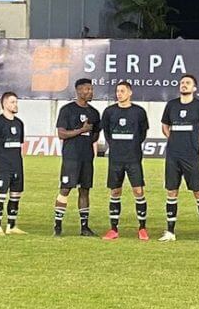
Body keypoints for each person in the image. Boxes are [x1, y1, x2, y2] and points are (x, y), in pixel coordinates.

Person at [159, 74, 199, 243]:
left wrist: (194, 143)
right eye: (182, 82)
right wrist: (173, 140)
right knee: (171, 191)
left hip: (191, 156)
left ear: (194, 88)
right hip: (173, 156)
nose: (184, 85)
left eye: (188, 83)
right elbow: (165, 126)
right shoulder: (171, 105)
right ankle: (170, 232)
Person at [99, 81, 150, 241]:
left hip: (133, 158)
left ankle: (142, 228)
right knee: (115, 191)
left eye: (122, 91)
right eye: (117, 91)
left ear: (130, 92)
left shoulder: (139, 112)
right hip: (115, 159)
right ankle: (113, 229)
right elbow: (107, 133)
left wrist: (132, 146)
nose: (119, 94)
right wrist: (116, 146)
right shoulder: (109, 112)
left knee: (138, 191)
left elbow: (142, 133)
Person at [53, 78, 102, 237]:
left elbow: (95, 135)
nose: (90, 92)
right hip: (71, 157)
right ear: (79, 91)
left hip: (87, 157)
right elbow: (61, 134)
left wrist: (88, 135)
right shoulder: (67, 110)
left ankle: (84, 227)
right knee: (65, 188)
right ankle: (58, 226)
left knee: (85, 190)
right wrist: (81, 130)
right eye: (87, 89)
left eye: (91, 89)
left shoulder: (94, 113)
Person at [0, 91, 27, 235]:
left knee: (15, 195)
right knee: (1, 196)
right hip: (2, 167)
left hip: (17, 165)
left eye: (16, 102)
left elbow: (18, 144)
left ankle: (11, 226)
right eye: (12, 102)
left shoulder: (19, 123)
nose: (15, 105)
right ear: (4, 104)